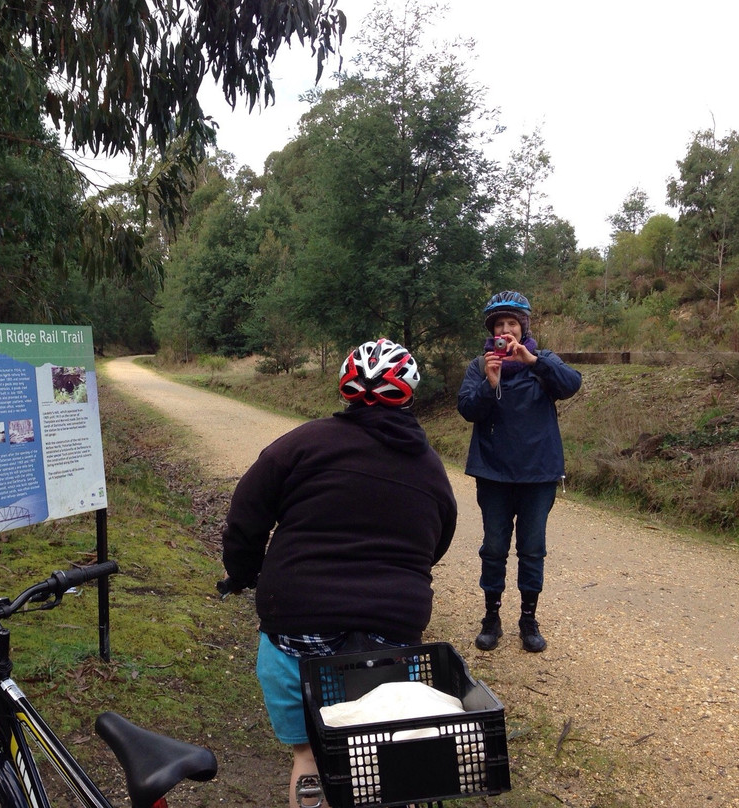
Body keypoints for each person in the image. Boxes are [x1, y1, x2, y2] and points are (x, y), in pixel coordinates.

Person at [220, 338, 458, 808]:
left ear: (346, 393)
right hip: (390, 631)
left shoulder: (301, 443)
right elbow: (437, 541)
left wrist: (244, 572)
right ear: (409, 396)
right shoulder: (430, 469)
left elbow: (246, 514)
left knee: (308, 756)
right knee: (379, 756)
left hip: (296, 621)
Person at [457, 291, 582, 653]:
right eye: (500, 325)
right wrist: (489, 385)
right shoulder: (480, 367)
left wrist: (534, 362)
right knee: (494, 548)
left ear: (523, 327)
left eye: (512, 323)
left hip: (538, 474)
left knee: (532, 549)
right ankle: (490, 618)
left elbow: (571, 384)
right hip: (493, 473)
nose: (506, 330)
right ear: (492, 331)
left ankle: (528, 619)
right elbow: (467, 409)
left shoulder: (543, 361)